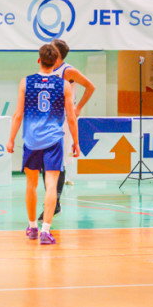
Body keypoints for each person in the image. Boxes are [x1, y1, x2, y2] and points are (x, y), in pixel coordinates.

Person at [7, 43, 80, 245]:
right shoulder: (63, 84)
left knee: (31, 184)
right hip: (54, 140)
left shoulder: (26, 82)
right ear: (55, 62)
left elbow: (18, 114)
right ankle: (46, 231)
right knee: (51, 185)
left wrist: (11, 138)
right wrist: (76, 141)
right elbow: (71, 117)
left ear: (39, 60)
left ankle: (32, 227)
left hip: (31, 140)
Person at [40, 38, 95, 221]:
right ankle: (51, 201)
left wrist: (78, 108)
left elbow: (90, 86)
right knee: (44, 163)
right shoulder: (47, 70)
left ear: (58, 53)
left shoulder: (68, 70)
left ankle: (55, 204)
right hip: (47, 121)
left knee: (58, 162)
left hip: (63, 120)